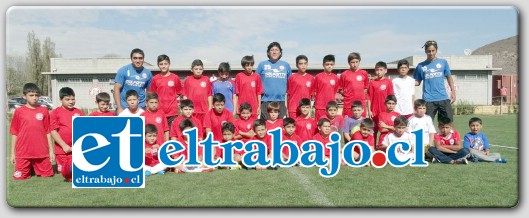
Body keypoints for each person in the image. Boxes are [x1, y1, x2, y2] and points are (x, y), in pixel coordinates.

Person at [9, 83, 55, 180]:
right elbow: (14, 133)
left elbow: (48, 132)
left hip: (41, 152)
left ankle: (34, 167)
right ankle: (30, 167)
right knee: (19, 177)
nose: (34, 98)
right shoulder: (19, 111)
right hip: (23, 152)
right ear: (24, 96)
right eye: (31, 95)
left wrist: (51, 151)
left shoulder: (44, 110)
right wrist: (13, 153)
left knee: (48, 175)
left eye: (36, 95)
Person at [413, 40, 456, 123]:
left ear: (436, 50)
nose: (431, 53)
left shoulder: (443, 62)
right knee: (427, 124)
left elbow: (449, 77)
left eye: (433, 51)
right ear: (425, 51)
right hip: (428, 100)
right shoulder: (420, 66)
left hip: (443, 98)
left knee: (448, 124)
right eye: (429, 51)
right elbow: (417, 82)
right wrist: (406, 82)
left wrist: (453, 92)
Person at [50, 87, 85, 181]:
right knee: (66, 173)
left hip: (76, 150)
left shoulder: (78, 112)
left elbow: (84, 129)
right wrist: (64, 146)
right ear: (61, 100)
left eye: (73, 99)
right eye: (67, 99)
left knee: (79, 171)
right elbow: (53, 131)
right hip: (62, 151)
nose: (71, 102)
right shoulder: (55, 113)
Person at [256, 42, 292, 120]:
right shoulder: (262, 65)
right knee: (266, 126)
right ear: (268, 53)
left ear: (280, 52)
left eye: (276, 50)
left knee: (280, 125)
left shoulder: (286, 65)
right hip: (266, 101)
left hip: (281, 101)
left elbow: (290, 84)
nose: (274, 52)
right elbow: (256, 82)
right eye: (272, 50)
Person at [113, 48, 152, 114]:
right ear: (131, 59)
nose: (138, 60)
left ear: (143, 59)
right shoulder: (123, 70)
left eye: (140, 58)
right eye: (135, 58)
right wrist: (119, 107)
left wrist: (147, 106)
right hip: (124, 107)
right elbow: (116, 89)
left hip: (141, 107)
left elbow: (149, 92)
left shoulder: (148, 73)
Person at [149, 54, 182, 127]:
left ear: (169, 64)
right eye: (161, 64)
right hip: (159, 111)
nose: (163, 66)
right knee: (160, 133)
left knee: (172, 134)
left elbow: (179, 93)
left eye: (165, 64)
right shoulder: (155, 79)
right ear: (158, 65)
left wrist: (171, 99)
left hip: (172, 112)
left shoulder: (175, 77)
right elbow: (152, 95)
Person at [367, 61, 394, 142]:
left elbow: (391, 97)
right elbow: (369, 97)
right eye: (377, 70)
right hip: (374, 112)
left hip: (384, 111)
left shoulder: (388, 82)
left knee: (385, 131)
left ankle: (384, 147)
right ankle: (373, 148)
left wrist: (390, 110)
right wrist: (369, 111)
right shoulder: (372, 82)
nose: (378, 72)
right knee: (373, 131)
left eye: (381, 70)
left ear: (385, 70)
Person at [203, 93, 236, 159]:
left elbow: (232, 131)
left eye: (222, 105)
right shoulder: (209, 114)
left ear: (224, 104)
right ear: (213, 104)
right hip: (215, 143)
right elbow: (208, 133)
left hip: (226, 141)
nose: (220, 107)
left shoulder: (229, 114)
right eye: (217, 105)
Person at [339, 52, 369, 118]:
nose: (355, 64)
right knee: (347, 123)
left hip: (361, 104)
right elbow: (340, 89)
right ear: (349, 63)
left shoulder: (364, 73)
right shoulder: (344, 74)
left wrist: (361, 96)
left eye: (356, 62)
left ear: (359, 61)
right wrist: (347, 95)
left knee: (361, 124)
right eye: (352, 62)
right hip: (348, 104)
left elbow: (366, 88)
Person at [312, 54, 339, 121]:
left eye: (331, 64)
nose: (329, 66)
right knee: (319, 123)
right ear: (323, 65)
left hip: (331, 106)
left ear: (334, 65)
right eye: (327, 64)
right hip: (320, 106)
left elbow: (335, 90)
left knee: (329, 125)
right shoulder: (318, 77)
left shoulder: (335, 77)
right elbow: (314, 90)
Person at [235, 55, 263, 120]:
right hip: (242, 108)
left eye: (251, 65)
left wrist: (259, 106)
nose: (249, 67)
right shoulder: (239, 76)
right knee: (242, 127)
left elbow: (259, 93)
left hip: (253, 107)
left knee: (254, 127)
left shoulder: (257, 76)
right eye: (247, 65)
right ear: (243, 66)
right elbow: (237, 93)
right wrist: (236, 106)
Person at [287, 55, 314, 119]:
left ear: (307, 64)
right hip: (293, 108)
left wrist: (310, 110)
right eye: (300, 64)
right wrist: (287, 108)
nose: (303, 65)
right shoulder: (292, 78)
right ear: (297, 65)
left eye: (305, 63)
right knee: (293, 127)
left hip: (305, 109)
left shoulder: (311, 78)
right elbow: (288, 94)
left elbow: (312, 96)